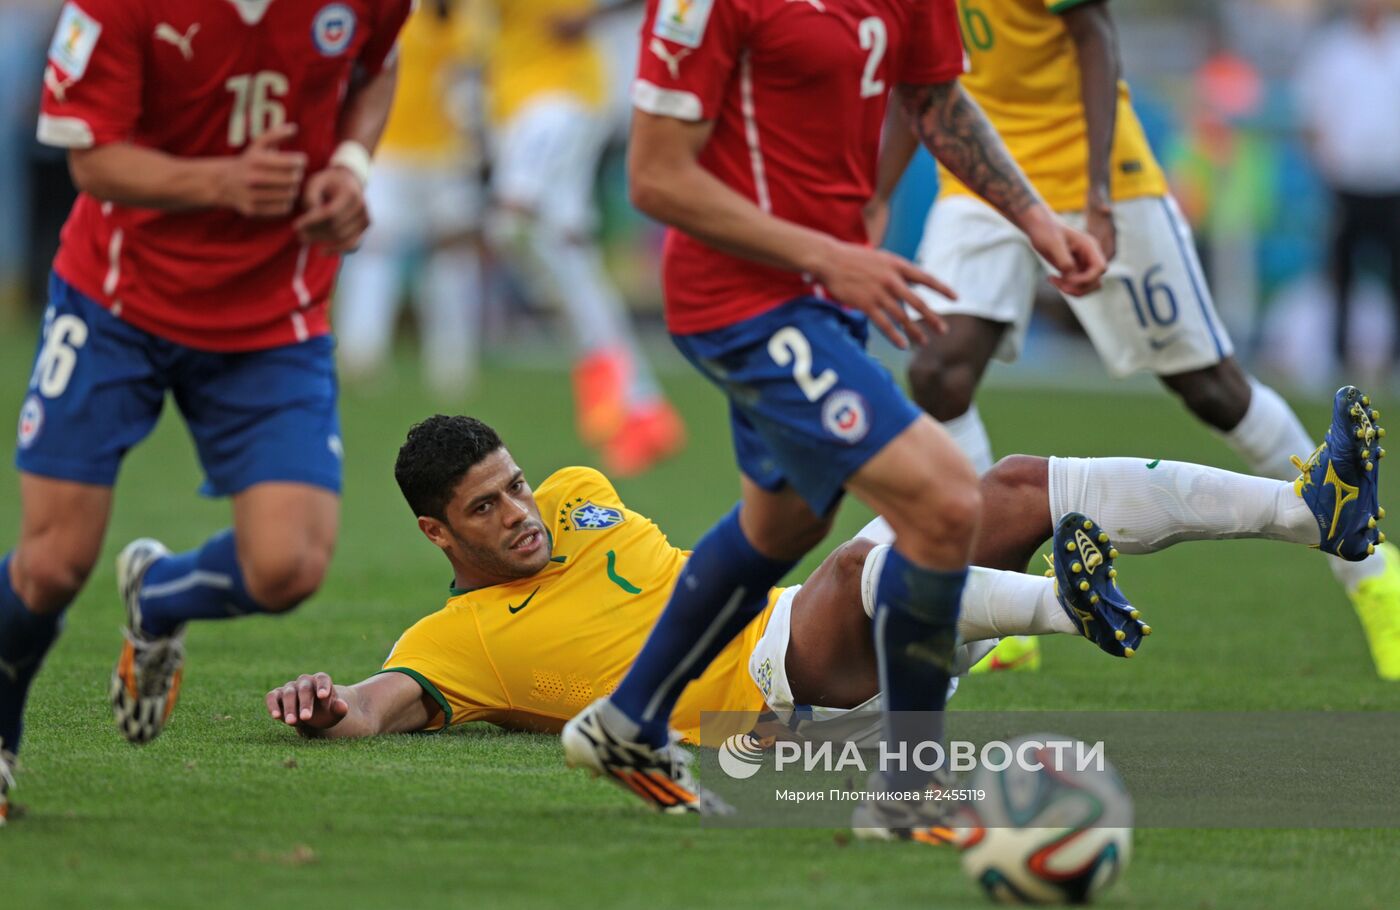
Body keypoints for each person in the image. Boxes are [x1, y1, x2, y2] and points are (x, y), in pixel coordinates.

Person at [266, 394, 1382, 833]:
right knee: (864, 572)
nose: (520, 513)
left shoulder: (577, 495)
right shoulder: (451, 647)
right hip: (774, 694)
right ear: (435, 533)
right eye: (485, 506)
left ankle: (1308, 511)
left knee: (1003, 482)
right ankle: (1057, 606)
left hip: (804, 632)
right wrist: (322, 706)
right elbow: (375, 708)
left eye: (513, 485)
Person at [556, 0, 1105, 831]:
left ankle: (627, 722)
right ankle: (911, 789)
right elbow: (655, 176)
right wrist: (828, 256)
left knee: (783, 524)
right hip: (740, 299)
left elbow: (936, 100)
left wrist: (1035, 219)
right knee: (947, 499)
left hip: (829, 290)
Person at [871, 0, 1400, 680]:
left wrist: (1096, 195)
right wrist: (876, 192)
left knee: (1211, 389)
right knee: (938, 369)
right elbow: (914, 75)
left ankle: (1371, 572)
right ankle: (997, 606)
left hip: (1091, 167)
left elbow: (1093, 33)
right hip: (979, 174)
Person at [0, 0, 411, 825]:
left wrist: (352, 167)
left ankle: (160, 596)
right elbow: (92, 159)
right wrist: (218, 181)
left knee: (289, 566)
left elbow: (378, 65)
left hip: (271, 316)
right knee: (51, 564)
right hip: (117, 304)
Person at [486, 0, 684, 476]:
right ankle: (639, 404)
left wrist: (593, 18)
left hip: (562, 99)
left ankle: (600, 374)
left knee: (511, 221)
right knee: (569, 253)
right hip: (514, 100)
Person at [336, 0, 488, 398]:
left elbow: (471, 87)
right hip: (391, 152)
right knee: (375, 250)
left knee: (451, 256)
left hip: (448, 155)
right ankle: (361, 354)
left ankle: (452, 361)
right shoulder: (398, 14)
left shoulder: (467, 18)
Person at [1295, 0, 1400, 376]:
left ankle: (1393, 361)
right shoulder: (1331, 50)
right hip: (1347, 181)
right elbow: (1312, 115)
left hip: (1392, 181)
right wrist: (1328, 163)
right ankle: (1338, 360)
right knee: (1342, 275)